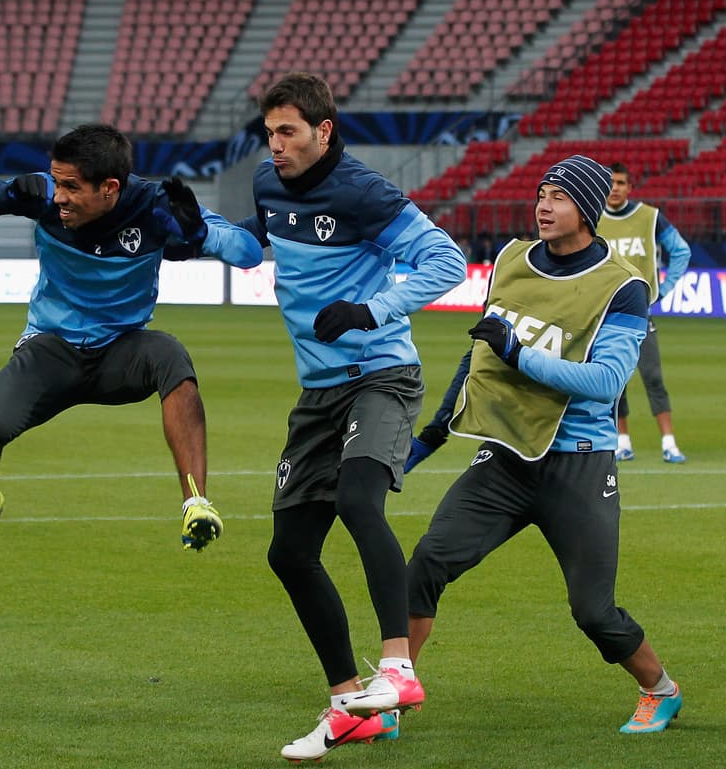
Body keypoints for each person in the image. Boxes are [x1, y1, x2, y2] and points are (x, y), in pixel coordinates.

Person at [405, 155, 684, 737]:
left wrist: (520, 354)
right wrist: (427, 439)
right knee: (427, 564)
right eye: (540, 195)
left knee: (593, 611)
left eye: (557, 197)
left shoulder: (623, 286)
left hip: (578, 462)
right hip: (504, 458)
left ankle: (660, 689)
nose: (543, 206)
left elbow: (607, 382)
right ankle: (391, 695)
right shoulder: (510, 259)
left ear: (584, 209)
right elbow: (481, 351)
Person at [236, 73, 467, 762]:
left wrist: (373, 310)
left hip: (380, 375)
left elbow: (445, 259)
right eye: (269, 133)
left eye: (289, 133)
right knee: (288, 551)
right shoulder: (267, 183)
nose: (275, 146)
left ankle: (397, 664)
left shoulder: (364, 191)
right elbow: (260, 241)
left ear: (324, 131)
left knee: (360, 499)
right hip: (318, 394)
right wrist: (202, 232)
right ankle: (348, 701)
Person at [0, 123, 262, 581]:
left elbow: (248, 252)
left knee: (170, 355)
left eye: (73, 187)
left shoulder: (154, 209)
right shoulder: (42, 195)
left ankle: (196, 503)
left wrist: (200, 234)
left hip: (121, 352)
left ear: (111, 188)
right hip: (51, 348)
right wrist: (8, 191)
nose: (60, 197)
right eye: (58, 182)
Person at [597, 162, 691, 463]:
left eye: (621, 183)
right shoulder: (592, 218)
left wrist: (664, 288)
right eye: (610, 182)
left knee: (652, 376)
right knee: (615, 380)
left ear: (630, 187)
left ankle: (669, 443)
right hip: (602, 313)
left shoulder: (650, 217)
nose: (615, 188)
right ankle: (622, 441)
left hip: (639, 311)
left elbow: (680, 250)